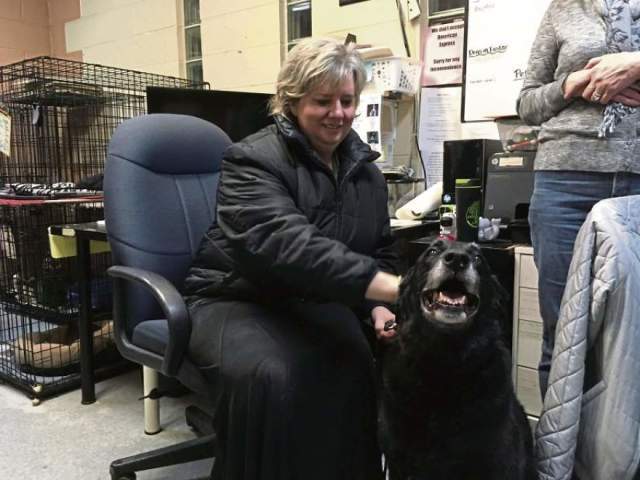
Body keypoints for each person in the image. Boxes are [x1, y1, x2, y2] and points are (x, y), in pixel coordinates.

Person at [183, 37, 400, 480]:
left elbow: (379, 249)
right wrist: (395, 289)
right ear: (292, 99)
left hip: (314, 300)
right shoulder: (251, 160)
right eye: (322, 101)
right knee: (272, 375)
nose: (337, 113)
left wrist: (378, 305)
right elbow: (288, 246)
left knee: (356, 362)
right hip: (235, 297)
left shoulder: (368, 175)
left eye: (346, 101)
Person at [517, 0, 640, 398]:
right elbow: (527, 104)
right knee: (565, 335)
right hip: (565, 184)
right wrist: (573, 83)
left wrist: (634, 64)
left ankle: (620, 443)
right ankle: (562, 441)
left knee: (632, 339)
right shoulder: (563, 9)